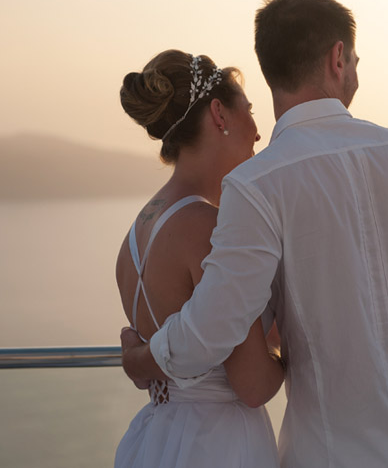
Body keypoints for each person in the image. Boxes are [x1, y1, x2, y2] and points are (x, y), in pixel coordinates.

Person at [121, 0, 388, 467]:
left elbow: (212, 330)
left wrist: (143, 360)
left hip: (332, 454)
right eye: (355, 58)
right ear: (338, 58)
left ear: (270, 68)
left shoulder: (255, 187)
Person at [113, 49, 284, 468]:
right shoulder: (208, 228)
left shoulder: (135, 235)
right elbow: (253, 385)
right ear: (219, 114)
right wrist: (305, 349)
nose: (259, 133)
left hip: (157, 436)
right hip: (217, 445)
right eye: (249, 110)